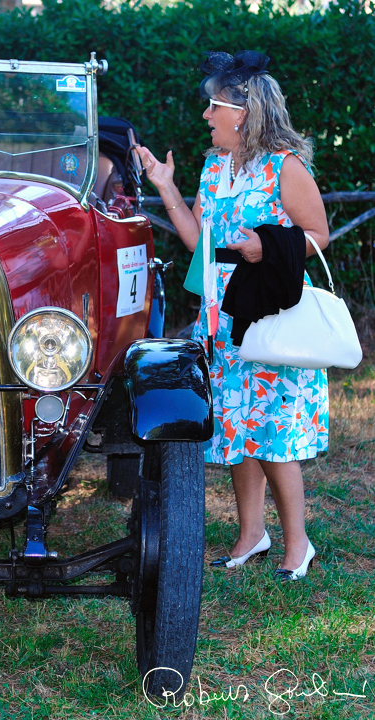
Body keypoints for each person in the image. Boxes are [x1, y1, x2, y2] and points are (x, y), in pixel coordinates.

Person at [135, 50, 330, 581]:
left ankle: (298, 543)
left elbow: (318, 233)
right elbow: (200, 243)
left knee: (274, 433)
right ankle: (251, 534)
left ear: (240, 111)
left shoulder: (284, 166)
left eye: (213, 107)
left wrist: (267, 248)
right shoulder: (215, 165)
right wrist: (166, 186)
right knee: (237, 428)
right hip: (221, 315)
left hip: (269, 309)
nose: (206, 117)